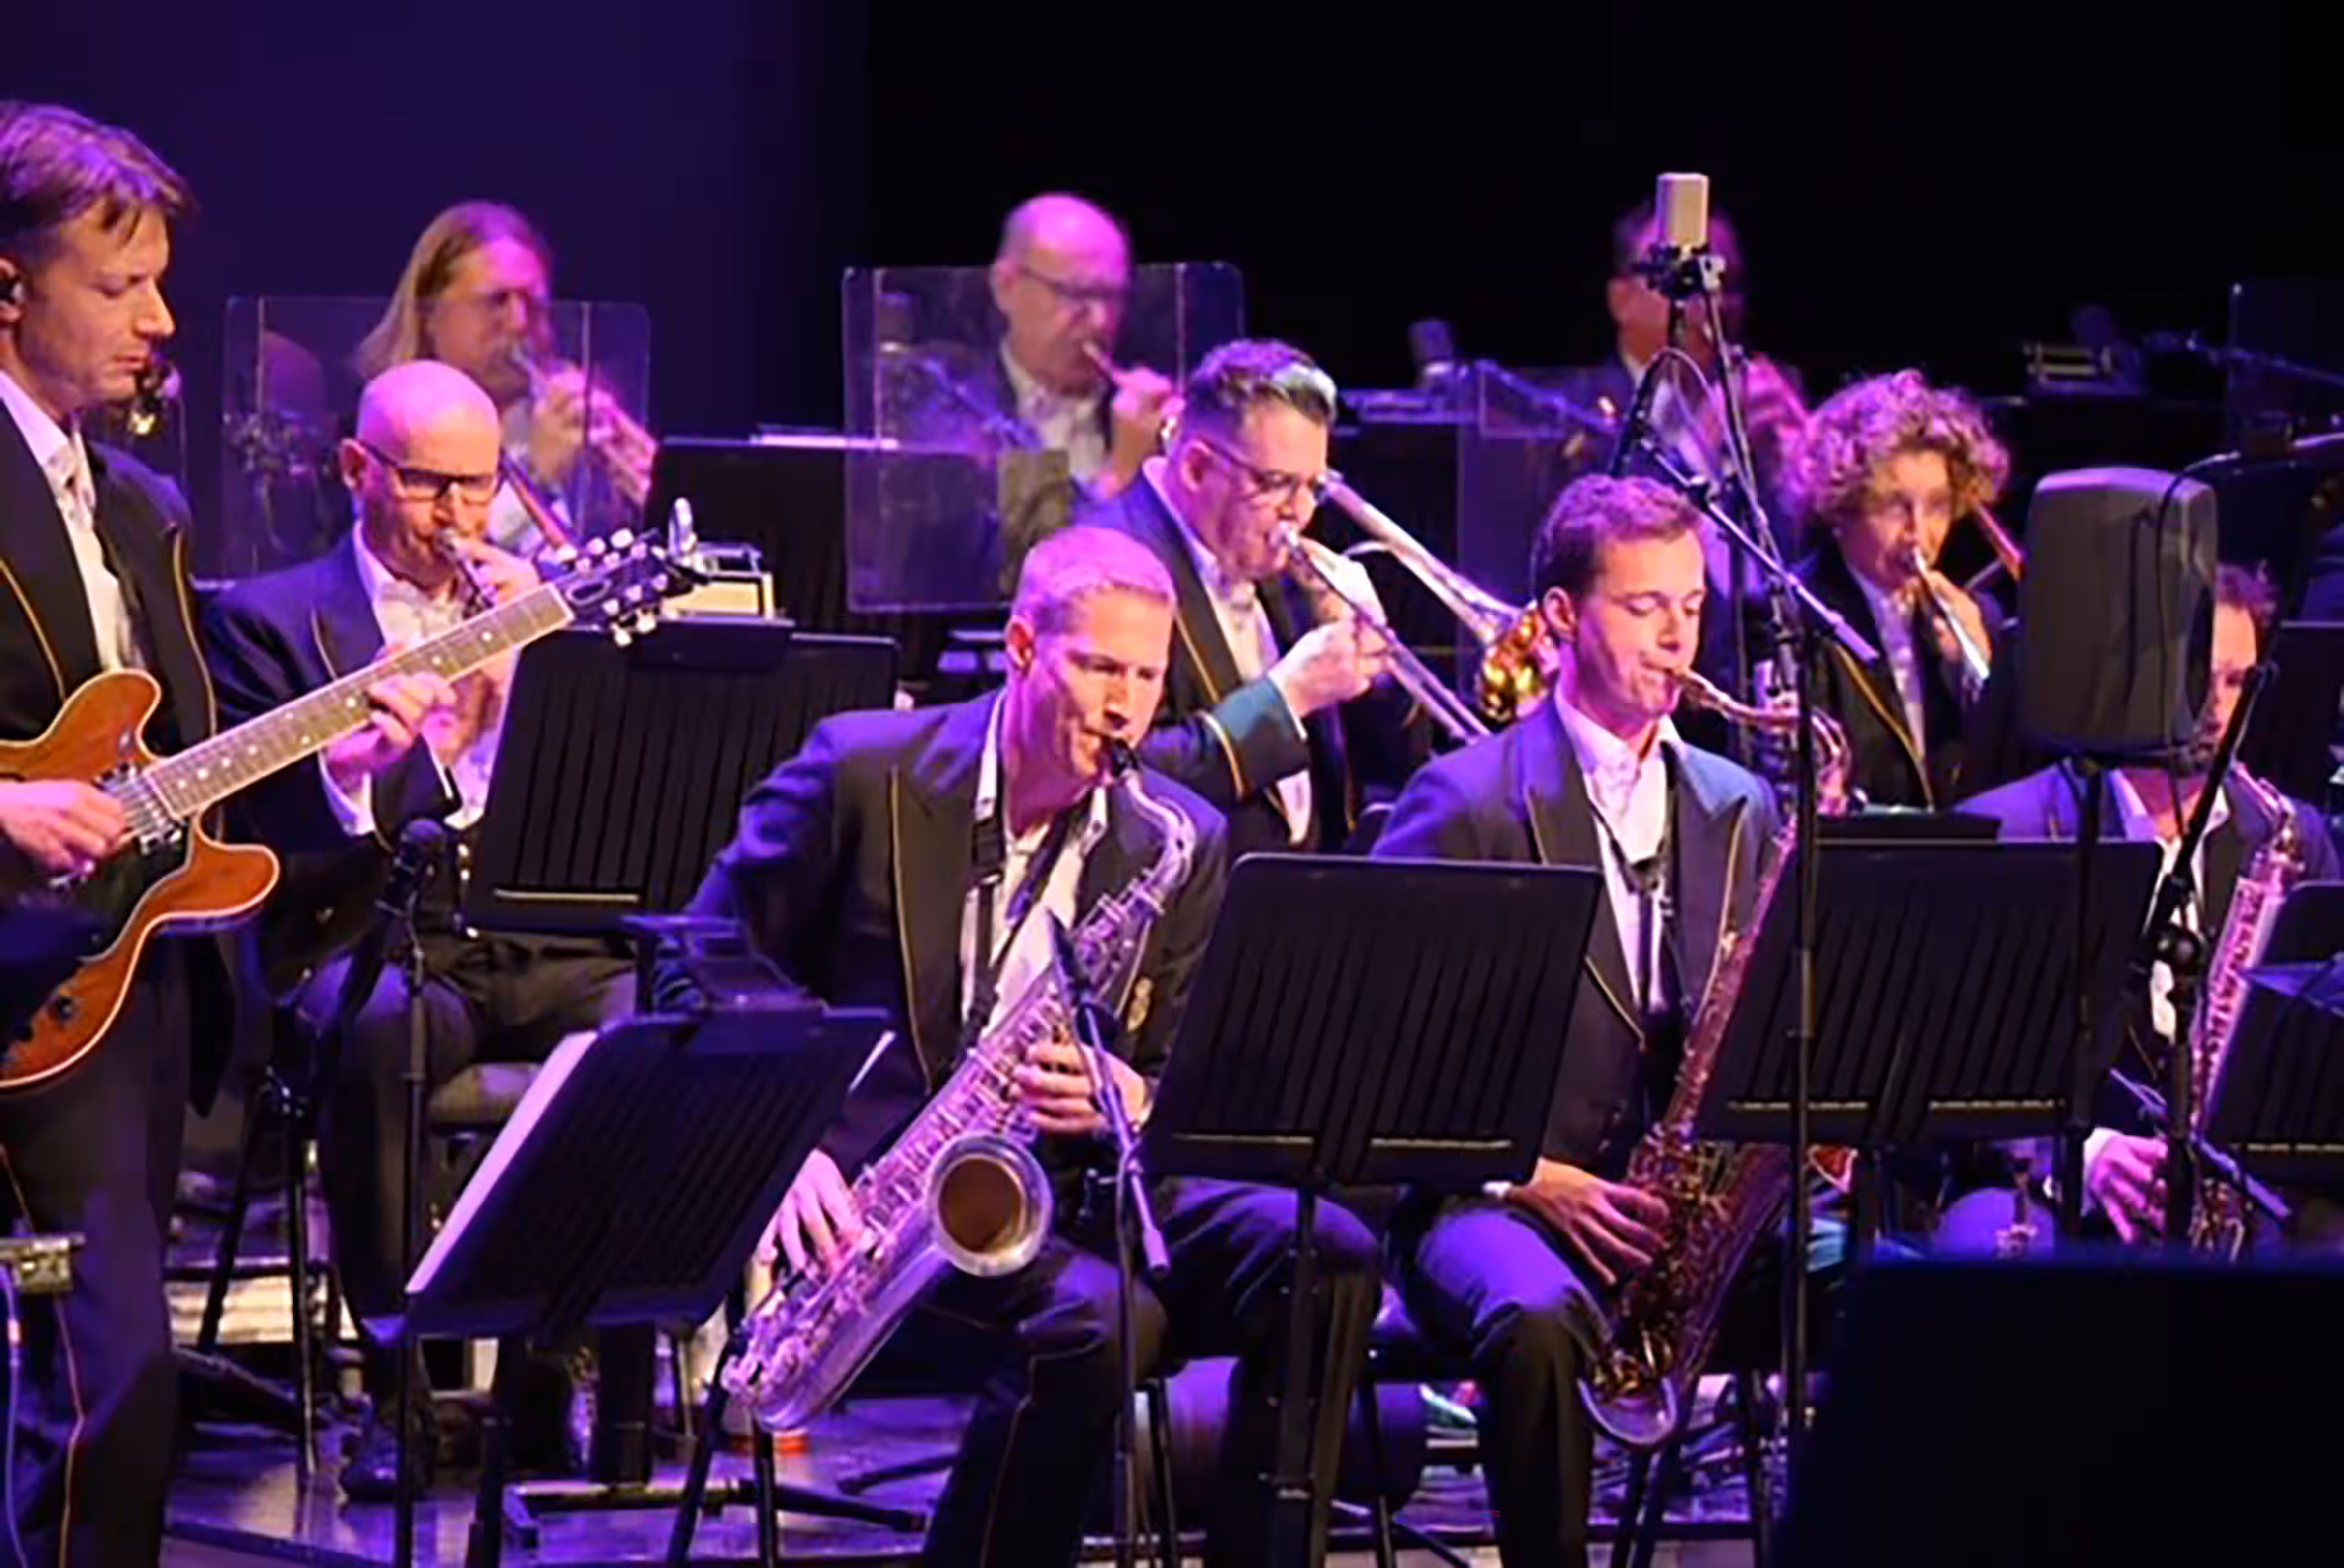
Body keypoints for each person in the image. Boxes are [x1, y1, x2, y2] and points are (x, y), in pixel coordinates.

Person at [669, 524, 1379, 1565]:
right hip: (873, 1214)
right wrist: (790, 1145)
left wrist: (1131, 1095)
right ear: (1019, 646)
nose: (1124, 704)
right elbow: (697, 956)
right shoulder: (866, 771)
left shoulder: (1176, 835)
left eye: (1146, 674)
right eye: (1096, 666)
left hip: (1084, 1175)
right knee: (1099, 1324)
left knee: (1328, 1254)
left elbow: (1186, 1063)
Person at [201, 359, 635, 1498]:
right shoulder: (270, 623)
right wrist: (387, 763)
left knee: (649, 1034)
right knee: (376, 1036)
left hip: (535, 936)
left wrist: (524, 693)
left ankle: (548, 1371)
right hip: (371, 932)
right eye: (428, 486)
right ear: (357, 469)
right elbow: (259, 840)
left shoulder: (541, 610)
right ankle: (397, 1397)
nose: (458, 517)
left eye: (479, 486)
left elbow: (607, 796)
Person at [1372, 474, 1783, 1568]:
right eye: (1644, 606)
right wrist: (1525, 1176)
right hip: (1490, 1204)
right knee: (1537, 1323)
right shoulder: (1460, 804)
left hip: (1675, 1215)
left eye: (1691, 607)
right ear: (1560, 618)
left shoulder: (1740, 802)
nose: (1677, 637)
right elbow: (1371, 1056)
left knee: (1888, 1279)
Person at [0, 100, 249, 1567]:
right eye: (119, 284)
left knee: (109, 1387)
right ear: (9, 284)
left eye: (161, 282)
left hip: (105, 990)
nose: (159, 319)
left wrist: (371, 758)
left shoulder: (144, 505)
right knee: (113, 1382)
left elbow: (184, 768)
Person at [1948, 564, 2340, 1250]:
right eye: (2198, 677)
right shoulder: (2007, 827)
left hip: (2239, 1191)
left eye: (2237, 681)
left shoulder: (2289, 834)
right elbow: (1952, 1069)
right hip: (2060, 1187)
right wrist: (2088, 1155)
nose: (2218, 709)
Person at [1082, 338, 1420, 858]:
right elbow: (1110, 778)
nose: (1301, 513)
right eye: (1278, 483)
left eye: (1315, 486)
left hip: (1314, 900)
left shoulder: (1271, 554)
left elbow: (1393, 768)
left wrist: (1377, 671)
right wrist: (1286, 698)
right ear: (1196, 468)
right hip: (1195, 924)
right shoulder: (1107, 562)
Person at [354, 200, 653, 553]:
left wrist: (648, 493)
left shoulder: (558, 421)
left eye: (534, 305)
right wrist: (538, 478)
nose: (519, 323)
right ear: (430, 314)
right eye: (496, 301)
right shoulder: (391, 424)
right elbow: (425, 561)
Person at [1783, 370, 2011, 809]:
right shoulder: (1793, 617)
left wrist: (1980, 668)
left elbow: (2010, 780)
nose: (1919, 533)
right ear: (1841, 505)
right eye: (1893, 506)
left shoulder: (1978, 616)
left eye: (1939, 506)